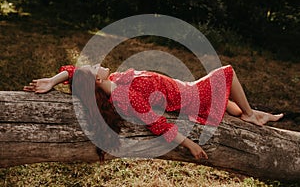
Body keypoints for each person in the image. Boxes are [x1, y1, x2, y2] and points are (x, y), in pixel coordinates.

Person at [23, 64, 283, 160]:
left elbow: (73, 70)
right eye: (93, 67)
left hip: (186, 89)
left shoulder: (112, 80)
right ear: (96, 81)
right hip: (190, 98)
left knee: (228, 106)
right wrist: (191, 145)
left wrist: (52, 80)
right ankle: (251, 114)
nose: (94, 63)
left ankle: (252, 114)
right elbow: (157, 124)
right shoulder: (126, 97)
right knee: (227, 73)